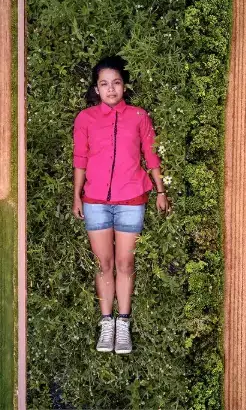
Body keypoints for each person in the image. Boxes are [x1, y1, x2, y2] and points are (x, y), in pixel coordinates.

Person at [72, 55, 170, 354]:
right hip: (95, 202)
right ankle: (106, 324)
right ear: (97, 89)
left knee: (126, 263)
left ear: (124, 86)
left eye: (116, 83)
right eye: (104, 84)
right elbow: (80, 158)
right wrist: (77, 194)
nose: (111, 89)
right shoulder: (85, 119)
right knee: (104, 264)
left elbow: (151, 155)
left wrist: (161, 190)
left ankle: (123, 324)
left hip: (131, 200)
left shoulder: (139, 116)